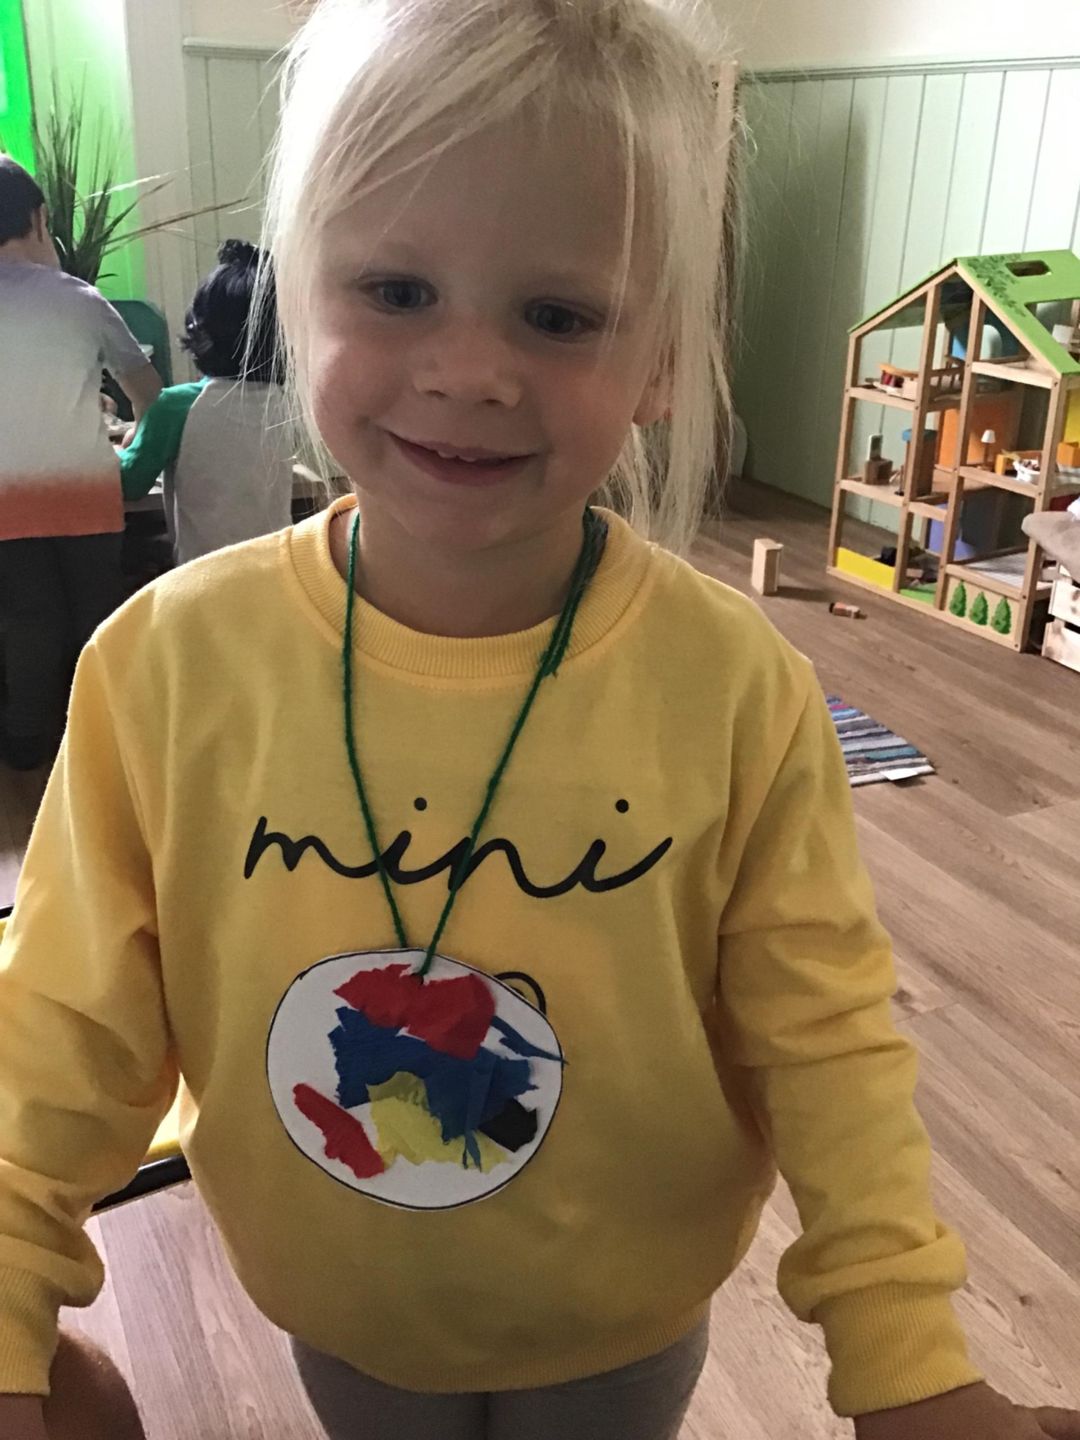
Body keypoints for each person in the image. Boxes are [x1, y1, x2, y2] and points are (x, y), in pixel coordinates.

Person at [0, 4, 1077, 1439]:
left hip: (620, 1319)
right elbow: (59, 1026)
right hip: (343, 1305)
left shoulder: (733, 690)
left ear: (661, 363)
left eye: (557, 316)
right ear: (297, 296)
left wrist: (910, 1366)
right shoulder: (164, 668)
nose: (468, 371)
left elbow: (824, 1043)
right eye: (395, 290)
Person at [0, 156, 162, 771]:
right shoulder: (82, 301)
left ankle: (26, 740)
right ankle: (107, 739)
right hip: (86, 495)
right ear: (41, 219)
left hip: (6, 503)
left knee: (28, 619)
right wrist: (125, 429)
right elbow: (150, 393)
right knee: (98, 614)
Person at [120, 239, 293, 564]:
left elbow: (130, 483)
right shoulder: (282, 403)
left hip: (206, 576)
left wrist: (119, 448)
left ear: (200, 330)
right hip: (276, 569)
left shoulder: (176, 407)